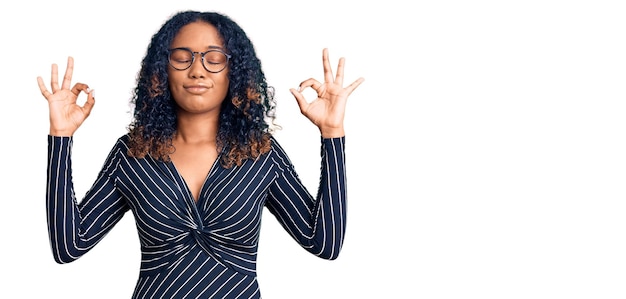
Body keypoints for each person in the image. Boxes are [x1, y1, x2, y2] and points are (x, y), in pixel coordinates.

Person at [37, 10, 363, 299]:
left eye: (214, 57)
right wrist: (61, 137)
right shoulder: (133, 153)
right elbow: (69, 246)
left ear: (234, 71)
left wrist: (332, 134)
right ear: (162, 70)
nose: (197, 70)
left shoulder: (261, 153)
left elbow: (324, 243)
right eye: (182, 57)